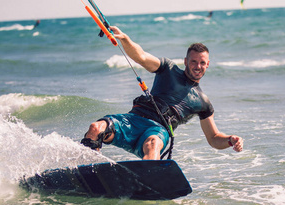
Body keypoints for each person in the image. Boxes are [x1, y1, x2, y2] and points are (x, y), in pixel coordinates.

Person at [81, 26, 243, 160]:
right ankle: (89, 170)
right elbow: (142, 57)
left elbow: (213, 138)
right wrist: (124, 39)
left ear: (207, 64)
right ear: (186, 61)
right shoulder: (168, 69)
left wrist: (230, 140)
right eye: (193, 61)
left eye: (202, 63)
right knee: (96, 128)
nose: (197, 66)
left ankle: (149, 181)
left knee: (152, 145)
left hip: (157, 131)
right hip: (133, 120)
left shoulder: (203, 102)